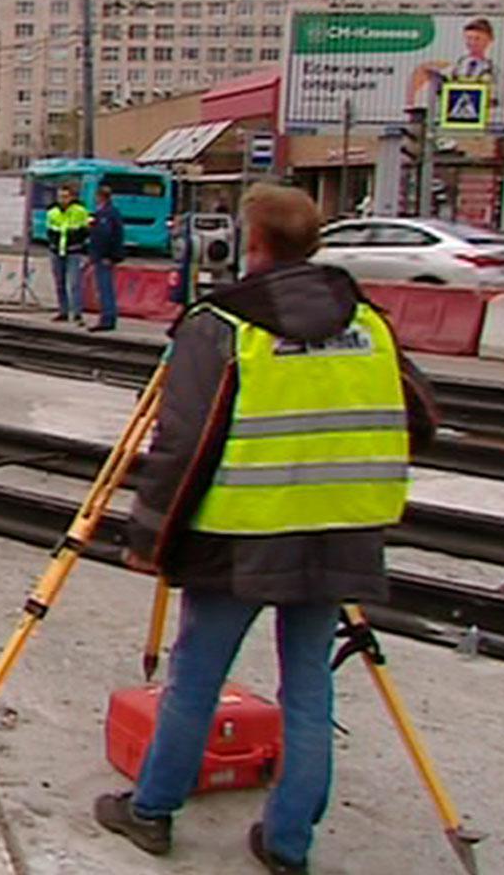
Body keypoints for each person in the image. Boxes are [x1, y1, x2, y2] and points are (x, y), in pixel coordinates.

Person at [94, 184, 437, 875]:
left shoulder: (222, 323)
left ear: (252, 244)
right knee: (309, 686)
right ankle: (288, 845)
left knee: (195, 677)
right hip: (342, 532)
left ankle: (153, 811)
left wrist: (148, 539)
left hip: (239, 536)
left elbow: (181, 443)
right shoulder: (368, 321)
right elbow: (420, 420)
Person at [46, 185, 90, 323]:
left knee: (74, 284)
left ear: (72, 197)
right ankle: (63, 311)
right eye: (60, 196)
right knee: (60, 283)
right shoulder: (52, 212)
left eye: (65, 196)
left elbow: (85, 231)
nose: (62, 200)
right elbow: (49, 230)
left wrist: (77, 241)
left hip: (73, 251)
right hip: (56, 251)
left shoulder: (80, 211)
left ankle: (77, 313)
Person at [86, 184, 126, 332]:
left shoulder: (106, 214)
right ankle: (107, 317)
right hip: (102, 256)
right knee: (104, 288)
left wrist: (107, 255)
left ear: (100, 197)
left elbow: (107, 236)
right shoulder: (107, 213)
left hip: (104, 257)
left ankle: (107, 319)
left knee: (105, 288)